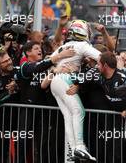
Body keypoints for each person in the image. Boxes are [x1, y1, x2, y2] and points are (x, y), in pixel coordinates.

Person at [50, 20, 100, 161]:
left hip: (55, 81)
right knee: (79, 112)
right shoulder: (82, 45)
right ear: (84, 32)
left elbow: (50, 60)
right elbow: (102, 58)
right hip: (65, 80)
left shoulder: (64, 46)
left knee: (68, 115)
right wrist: (89, 71)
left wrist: (57, 68)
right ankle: (79, 147)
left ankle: (73, 151)